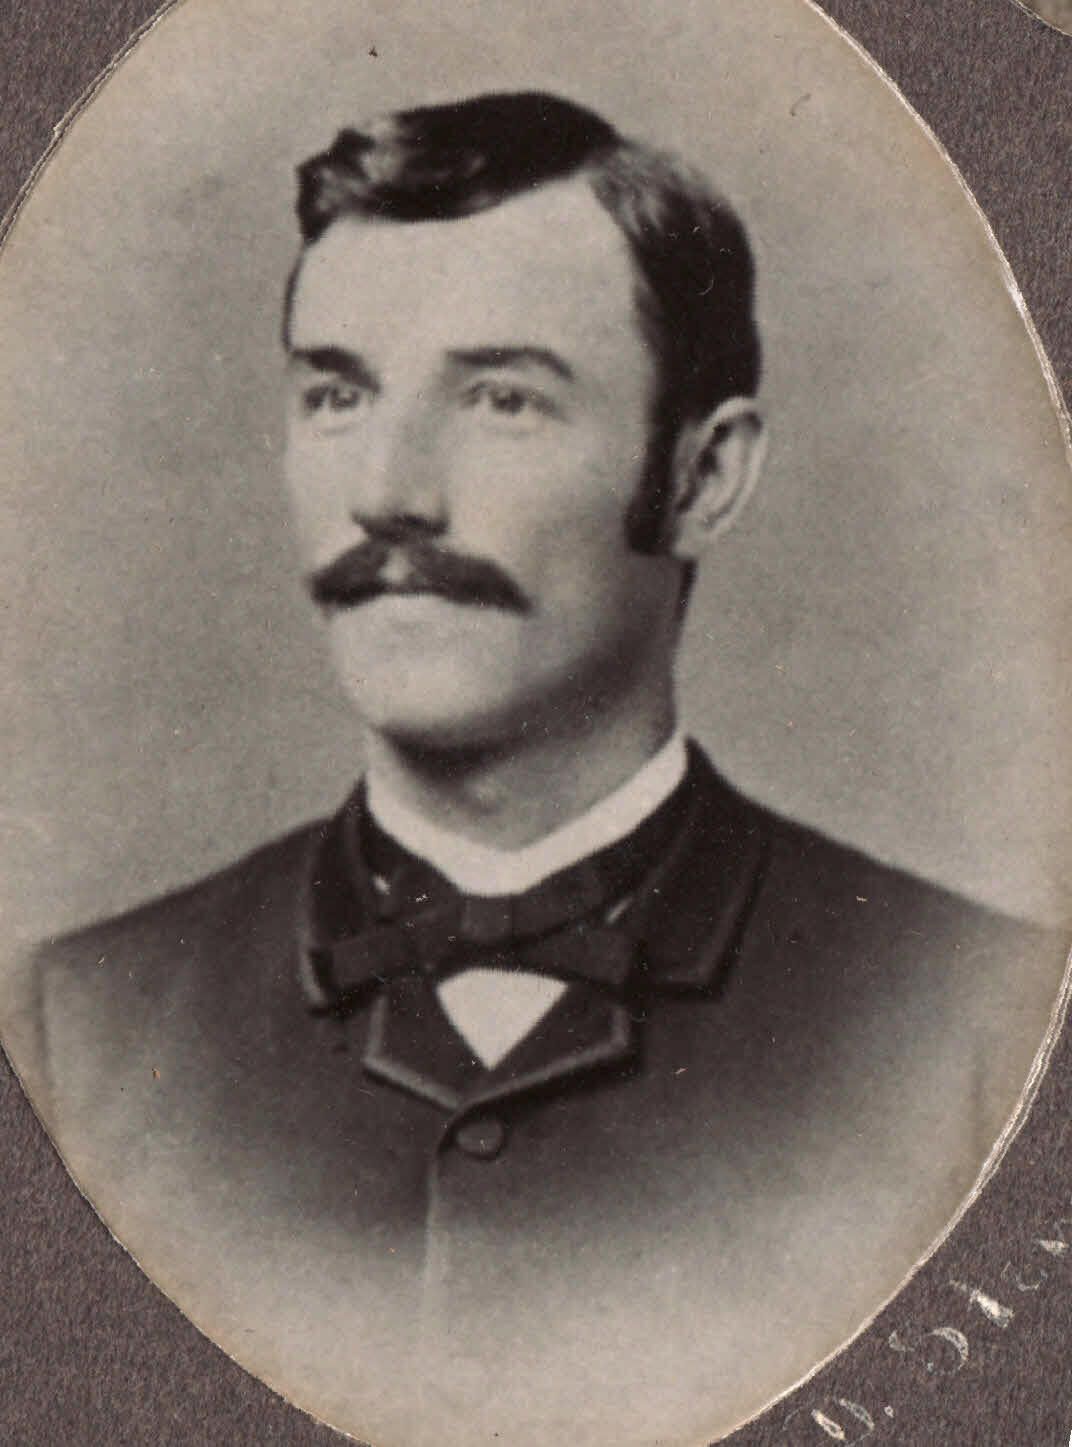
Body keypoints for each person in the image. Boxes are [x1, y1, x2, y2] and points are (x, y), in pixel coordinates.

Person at [3, 91, 1066, 1447]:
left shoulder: (982, 1032)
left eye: (503, 398)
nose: (388, 491)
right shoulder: (75, 1031)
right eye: (337, 394)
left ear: (704, 477)